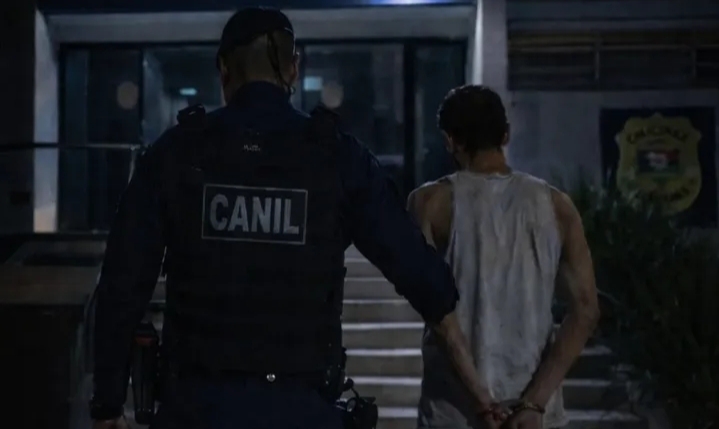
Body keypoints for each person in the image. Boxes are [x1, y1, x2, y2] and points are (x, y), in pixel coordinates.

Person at [89, 8, 504, 429]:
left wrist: (107, 404)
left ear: (223, 70)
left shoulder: (174, 153)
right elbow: (422, 275)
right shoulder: (339, 157)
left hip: (195, 408)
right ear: (294, 68)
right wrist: (482, 393)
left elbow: (122, 285)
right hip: (303, 409)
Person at [408, 85, 600, 429]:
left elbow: (437, 313)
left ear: (450, 141)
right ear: (506, 135)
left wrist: (483, 402)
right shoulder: (557, 206)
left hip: (455, 414)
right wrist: (534, 403)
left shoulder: (430, 204)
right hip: (535, 417)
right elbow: (585, 311)